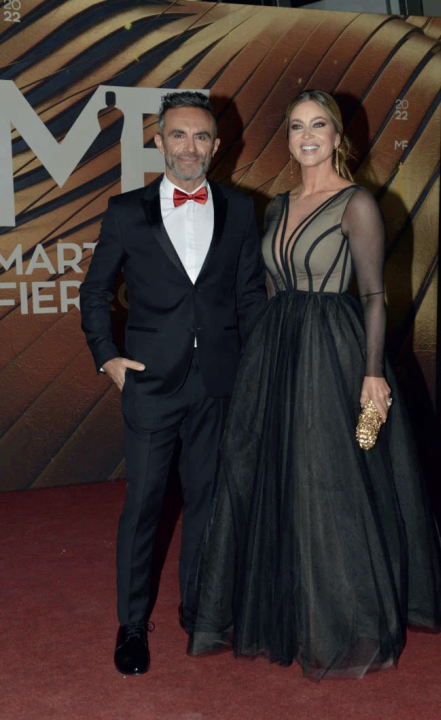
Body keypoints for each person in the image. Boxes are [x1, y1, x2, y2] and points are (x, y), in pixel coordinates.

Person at [184, 90, 441, 679]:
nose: (307, 136)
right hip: (274, 352)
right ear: (287, 139)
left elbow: (375, 296)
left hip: (333, 350)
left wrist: (373, 372)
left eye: (318, 125)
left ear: (337, 136)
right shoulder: (277, 206)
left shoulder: (357, 203)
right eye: (296, 127)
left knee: (329, 480)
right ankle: (284, 609)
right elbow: (268, 288)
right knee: (267, 474)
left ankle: (343, 622)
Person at [79, 91, 267, 675]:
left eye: (201, 136)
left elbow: (250, 296)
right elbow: (94, 292)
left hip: (219, 383)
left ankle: (199, 611)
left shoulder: (241, 209)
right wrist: (108, 357)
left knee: (209, 502)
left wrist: (257, 367)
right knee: (144, 505)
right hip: (150, 384)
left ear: (217, 145)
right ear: (159, 142)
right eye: (179, 135)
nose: (190, 147)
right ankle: (132, 624)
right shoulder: (125, 211)